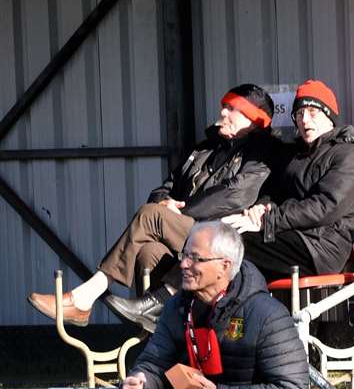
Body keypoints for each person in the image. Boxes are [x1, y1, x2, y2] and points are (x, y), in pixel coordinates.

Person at [29, 85, 280, 330]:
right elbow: (167, 185)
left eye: (232, 109)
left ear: (253, 120)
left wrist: (178, 211)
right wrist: (163, 202)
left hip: (218, 235)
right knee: (149, 251)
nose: (223, 113)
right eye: (223, 107)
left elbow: (235, 194)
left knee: (151, 217)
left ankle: (84, 298)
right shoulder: (204, 149)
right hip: (189, 228)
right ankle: (161, 331)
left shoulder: (263, 152)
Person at [119, 220, 306, 389]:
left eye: (196, 258)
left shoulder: (267, 315)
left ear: (224, 267)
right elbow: (155, 365)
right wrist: (141, 387)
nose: (183, 264)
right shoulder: (176, 308)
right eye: (184, 255)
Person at [221, 79, 354, 279]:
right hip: (291, 233)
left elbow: (324, 207)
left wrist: (268, 220)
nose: (305, 120)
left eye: (312, 112)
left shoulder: (349, 156)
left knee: (231, 246)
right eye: (299, 114)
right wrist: (261, 207)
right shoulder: (295, 155)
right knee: (222, 239)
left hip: (322, 247)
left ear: (329, 116)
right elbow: (274, 191)